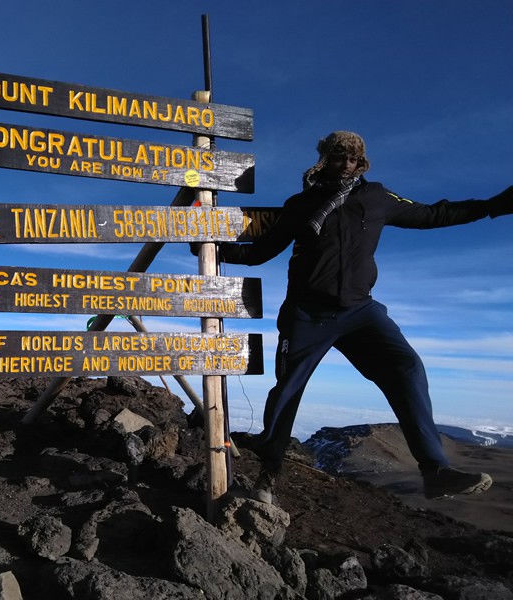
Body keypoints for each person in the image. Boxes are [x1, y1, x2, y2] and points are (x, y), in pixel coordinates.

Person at [194, 131, 513, 504]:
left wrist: (493, 205)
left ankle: (435, 471)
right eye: (339, 156)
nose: (346, 163)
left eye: (353, 158)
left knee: (406, 366)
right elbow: (262, 250)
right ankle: (268, 478)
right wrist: (208, 244)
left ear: (361, 162)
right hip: (307, 313)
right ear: (324, 158)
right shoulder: (300, 204)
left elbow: (432, 214)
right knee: (288, 392)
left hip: (361, 311)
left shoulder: (377, 197)